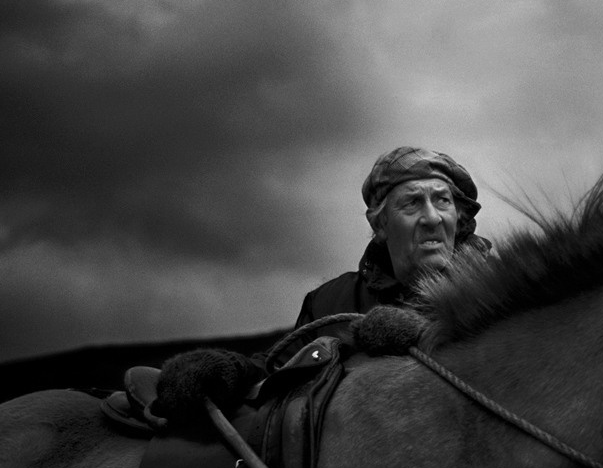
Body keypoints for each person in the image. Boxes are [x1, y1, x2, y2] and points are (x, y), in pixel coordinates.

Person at [151, 146, 492, 423]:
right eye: (413, 202)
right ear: (382, 225)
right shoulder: (331, 301)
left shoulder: (496, 292)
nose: (432, 217)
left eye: (443, 200)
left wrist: (426, 336)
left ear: (459, 219)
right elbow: (275, 373)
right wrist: (227, 369)